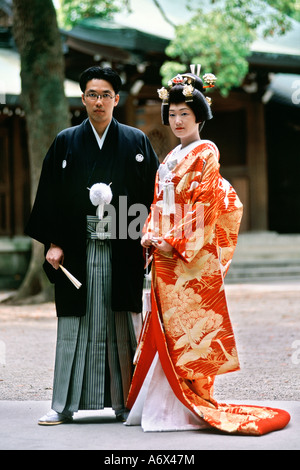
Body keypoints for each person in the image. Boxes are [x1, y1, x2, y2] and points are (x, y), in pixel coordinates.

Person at [125, 68, 290, 435]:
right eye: (172, 114)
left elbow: (207, 205)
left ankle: (182, 405)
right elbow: (158, 203)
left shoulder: (206, 153)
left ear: (199, 116)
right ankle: (160, 404)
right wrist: (150, 234)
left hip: (188, 258)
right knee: (165, 327)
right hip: (165, 252)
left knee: (188, 332)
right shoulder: (169, 157)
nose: (178, 120)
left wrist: (176, 241)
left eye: (185, 114)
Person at [25, 66, 159, 425]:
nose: (98, 102)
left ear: (117, 99)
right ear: (82, 98)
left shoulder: (136, 141)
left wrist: (147, 235)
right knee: (74, 322)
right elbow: (50, 195)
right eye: (92, 95)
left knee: (122, 321)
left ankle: (126, 404)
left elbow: (153, 194)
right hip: (76, 245)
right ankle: (63, 404)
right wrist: (53, 243)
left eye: (105, 95)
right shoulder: (66, 141)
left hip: (123, 242)